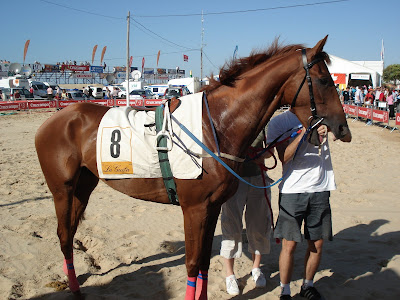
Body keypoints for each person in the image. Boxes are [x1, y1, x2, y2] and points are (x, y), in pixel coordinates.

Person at [266, 109, 336, 300]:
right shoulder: (278, 123)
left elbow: (344, 135)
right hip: (292, 190)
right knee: (289, 245)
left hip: (320, 187)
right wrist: (305, 131)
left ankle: (308, 285)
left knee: (317, 243)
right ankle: (285, 290)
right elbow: (284, 157)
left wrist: (329, 129)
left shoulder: (324, 114)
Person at [220, 130, 273, 296]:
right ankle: (230, 274)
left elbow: (270, 150)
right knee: (231, 225)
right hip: (235, 179)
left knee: (258, 225)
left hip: (258, 177)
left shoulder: (263, 123)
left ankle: (256, 268)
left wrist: (261, 156)